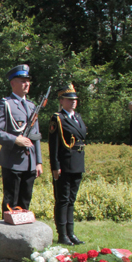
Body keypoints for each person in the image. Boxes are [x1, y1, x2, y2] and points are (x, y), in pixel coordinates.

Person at [0, 64, 43, 211]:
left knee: (25, 201)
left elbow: (35, 136)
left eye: (28, 81)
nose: (26, 84)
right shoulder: (6, 104)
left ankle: (21, 232)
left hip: (30, 162)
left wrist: (38, 162)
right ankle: (8, 232)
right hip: (13, 162)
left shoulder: (31, 106)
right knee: (11, 202)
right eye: (22, 80)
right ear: (13, 83)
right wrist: (15, 139)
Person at [48, 83, 87, 246]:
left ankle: (71, 233)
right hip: (64, 164)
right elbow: (53, 144)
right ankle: (62, 234)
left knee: (71, 199)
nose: (73, 102)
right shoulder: (58, 118)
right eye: (69, 100)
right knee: (62, 200)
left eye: (75, 100)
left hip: (77, 163)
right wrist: (55, 166)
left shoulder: (77, 118)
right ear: (61, 101)